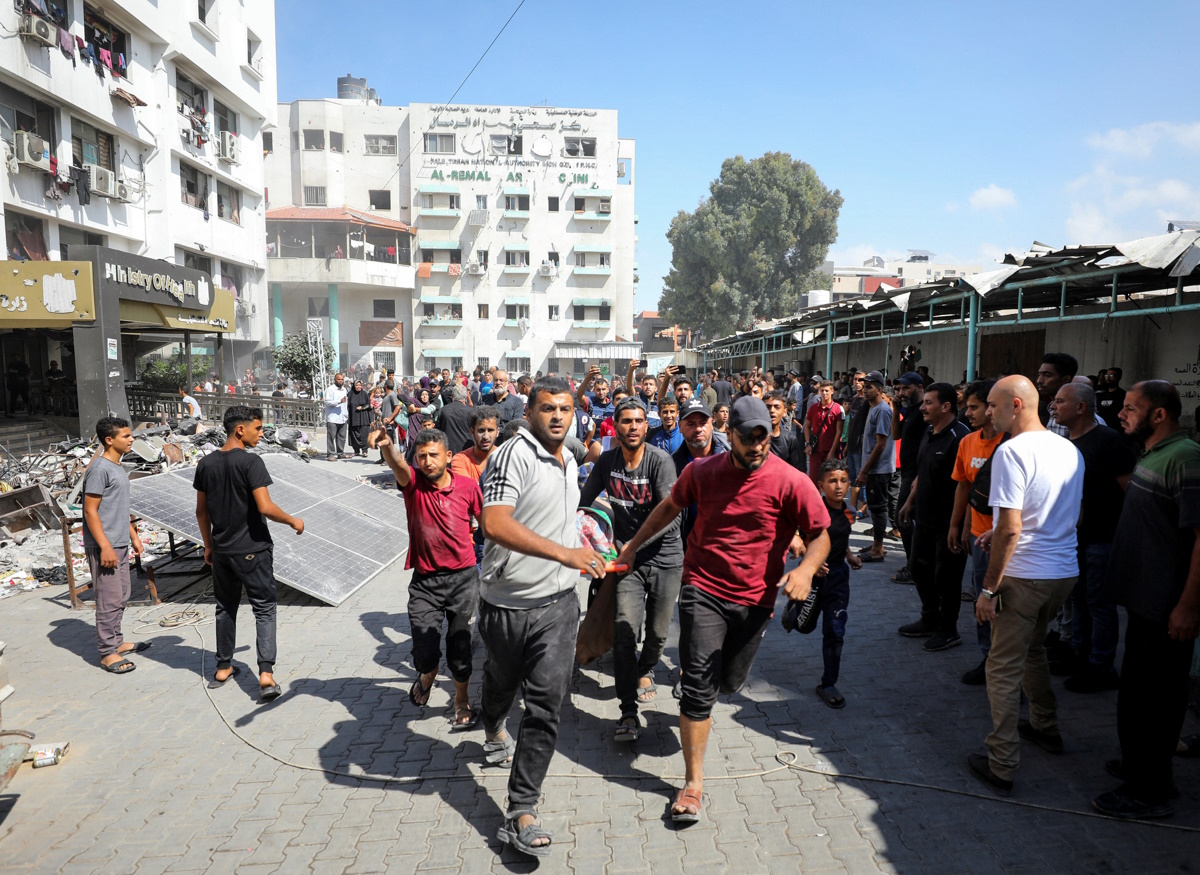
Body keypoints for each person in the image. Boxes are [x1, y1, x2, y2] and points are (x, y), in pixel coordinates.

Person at [614, 396, 830, 824]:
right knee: (698, 688)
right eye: (746, 437)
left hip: (755, 599)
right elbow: (668, 508)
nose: (755, 445)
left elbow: (821, 533)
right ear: (727, 434)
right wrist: (633, 545)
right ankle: (692, 785)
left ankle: (702, 687)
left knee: (728, 683)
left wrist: (806, 569)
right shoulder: (701, 471)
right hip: (703, 589)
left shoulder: (792, 481)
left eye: (762, 437)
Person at [477, 377, 607, 857]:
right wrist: (562, 552)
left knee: (545, 706)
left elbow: (566, 510)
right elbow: (494, 522)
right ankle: (492, 724)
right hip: (506, 605)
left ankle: (521, 810)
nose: (557, 416)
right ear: (530, 411)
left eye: (566, 409)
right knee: (501, 686)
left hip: (557, 605)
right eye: (548, 408)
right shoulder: (513, 454)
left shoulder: (569, 457)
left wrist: (586, 542)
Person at [968, 376, 1083, 797]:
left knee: (1001, 667)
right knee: (1033, 648)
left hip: (1023, 576)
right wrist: (996, 531)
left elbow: (1013, 528)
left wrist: (988, 589)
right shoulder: (1068, 448)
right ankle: (1045, 726)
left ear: (1016, 405)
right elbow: (1065, 514)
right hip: (1061, 573)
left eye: (993, 407)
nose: (986, 414)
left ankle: (1001, 763)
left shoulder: (1012, 452)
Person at [1093, 381, 1200, 819]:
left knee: (1156, 701)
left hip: (1166, 607)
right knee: (1138, 695)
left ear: (1159, 415)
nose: (1121, 414)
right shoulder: (1155, 453)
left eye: (1131, 408)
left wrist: (1188, 606)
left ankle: (1150, 789)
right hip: (1144, 603)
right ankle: (1140, 766)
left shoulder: (1187, 459)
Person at [580, 396, 683, 741]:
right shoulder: (607, 461)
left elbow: (672, 514)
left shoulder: (660, 462)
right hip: (626, 560)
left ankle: (646, 667)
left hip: (665, 556)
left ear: (646, 425)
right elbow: (585, 502)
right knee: (625, 633)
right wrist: (599, 542)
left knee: (656, 635)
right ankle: (628, 711)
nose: (633, 427)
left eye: (639, 421)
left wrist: (635, 544)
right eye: (626, 421)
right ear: (617, 426)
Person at [374, 425, 484, 729]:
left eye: (433, 455)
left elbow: (487, 522)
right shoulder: (412, 484)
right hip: (425, 583)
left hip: (464, 579)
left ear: (448, 456)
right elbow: (398, 464)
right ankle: (427, 673)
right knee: (424, 652)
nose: (427, 461)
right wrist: (387, 447)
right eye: (421, 456)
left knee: (460, 647)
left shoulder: (467, 487)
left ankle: (461, 700)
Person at [194, 406, 305, 702]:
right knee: (264, 608)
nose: (261, 433)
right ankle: (266, 675)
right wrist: (294, 520)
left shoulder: (206, 464)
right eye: (257, 428)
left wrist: (208, 545)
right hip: (252, 550)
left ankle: (222, 668)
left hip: (222, 551)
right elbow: (265, 507)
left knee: (225, 607)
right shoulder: (251, 462)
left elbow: (201, 511)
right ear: (240, 430)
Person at [1049, 382, 1136, 691]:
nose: (1053, 407)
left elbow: (1132, 495)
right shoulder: (1066, 443)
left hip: (1103, 538)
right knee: (1079, 599)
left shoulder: (1108, 442)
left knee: (1098, 602)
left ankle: (1101, 667)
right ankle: (1079, 656)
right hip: (1076, 538)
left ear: (1081, 407)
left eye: (1060, 401)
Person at [897, 382, 972, 651]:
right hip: (925, 518)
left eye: (929, 403)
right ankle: (930, 618)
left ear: (946, 406)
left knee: (947, 577)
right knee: (917, 567)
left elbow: (967, 485)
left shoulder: (961, 438)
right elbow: (922, 472)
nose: (923, 407)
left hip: (949, 523)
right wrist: (909, 501)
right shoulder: (929, 431)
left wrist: (959, 526)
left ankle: (949, 629)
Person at [785, 458, 862, 708]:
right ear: (821, 485)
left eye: (843, 481)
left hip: (838, 578)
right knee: (805, 626)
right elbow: (799, 538)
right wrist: (811, 562)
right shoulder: (814, 510)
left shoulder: (848, 512)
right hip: (814, 578)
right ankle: (792, 612)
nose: (838, 486)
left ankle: (828, 683)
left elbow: (842, 538)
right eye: (832, 481)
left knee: (835, 630)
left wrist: (850, 556)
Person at [82, 417, 147, 674]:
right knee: (108, 599)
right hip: (105, 545)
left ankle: (117, 642)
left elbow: (120, 508)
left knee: (121, 595)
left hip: (119, 541)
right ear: (109, 440)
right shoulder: (100, 470)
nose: (131, 439)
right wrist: (105, 547)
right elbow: (90, 511)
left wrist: (133, 535)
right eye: (126, 436)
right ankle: (107, 652)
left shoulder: (118, 467)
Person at [948, 379, 1003, 684]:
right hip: (979, 537)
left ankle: (1007, 667)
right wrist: (957, 526)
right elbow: (965, 486)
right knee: (984, 601)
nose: (967, 412)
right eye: (966, 406)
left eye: (974, 407)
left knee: (1006, 606)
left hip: (1011, 541)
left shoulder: (1014, 443)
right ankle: (988, 659)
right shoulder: (968, 442)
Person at [854, 372, 898, 562]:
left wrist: (865, 470)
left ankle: (878, 549)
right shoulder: (873, 408)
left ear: (880, 389)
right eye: (864, 386)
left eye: (870, 387)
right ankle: (876, 544)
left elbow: (881, 444)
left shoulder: (882, 410)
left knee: (879, 508)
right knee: (874, 507)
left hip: (879, 469)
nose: (865, 390)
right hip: (874, 468)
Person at [672, 398, 729, 545]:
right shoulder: (672, 465)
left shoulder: (731, 458)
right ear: (680, 427)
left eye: (703, 423)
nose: (698, 429)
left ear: (711, 424)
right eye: (691, 424)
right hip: (688, 549)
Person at [451, 406, 500, 569]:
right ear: (472, 431)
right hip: (467, 543)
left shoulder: (507, 459)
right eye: (481, 430)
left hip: (498, 542)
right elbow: (467, 494)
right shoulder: (460, 459)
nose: (486, 436)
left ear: (498, 432)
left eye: (490, 430)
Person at [891, 372, 926, 582]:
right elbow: (896, 435)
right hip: (908, 472)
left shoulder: (924, 412)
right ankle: (915, 564)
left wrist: (919, 477)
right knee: (906, 519)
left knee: (902, 518)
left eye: (906, 389)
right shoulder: (910, 410)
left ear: (919, 387)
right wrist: (896, 411)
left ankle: (916, 567)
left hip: (916, 474)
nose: (901, 393)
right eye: (900, 389)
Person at [804, 380, 845, 482]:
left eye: (827, 391)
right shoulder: (813, 408)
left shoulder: (838, 409)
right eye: (822, 390)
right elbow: (807, 427)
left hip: (831, 451)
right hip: (816, 451)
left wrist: (831, 452)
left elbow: (839, 432)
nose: (824, 393)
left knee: (831, 480)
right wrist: (808, 443)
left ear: (832, 391)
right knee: (814, 480)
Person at [764, 390, 802, 468]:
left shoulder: (790, 439)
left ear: (785, 411)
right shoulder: (755, 439)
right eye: (768, 407)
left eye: (777, 407)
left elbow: (795, 470)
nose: (772, 411)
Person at [436, 384, 475, 453]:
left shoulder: (443, 410)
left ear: (452, 397)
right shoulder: (470, 412)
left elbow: (438, 431)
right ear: (466, 397)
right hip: (466, 451)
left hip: (448, 451)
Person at [324, 373, 350, 461]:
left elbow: (345, 403)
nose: (340, 381)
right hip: (333, 417)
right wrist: (339, 401)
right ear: (335, 380)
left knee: (342, 436)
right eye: (338, 379)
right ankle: (330, 454)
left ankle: (340, 453)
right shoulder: (330, 389)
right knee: (331, 436)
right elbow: (327, 402)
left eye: (342, 379)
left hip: (343, 417)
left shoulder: (344, 390)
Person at [346, 379, 373, 457]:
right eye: (357, 385)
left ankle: (364, 450)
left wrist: (362, 407)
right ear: (354, 386)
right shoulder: (350, 394)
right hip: (353, 418)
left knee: (364, 434)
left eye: (360, 385)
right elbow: (347, 406)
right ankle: (356, 450)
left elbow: (369, 404)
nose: (358, 387)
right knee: (354, 434)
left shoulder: (364, 394)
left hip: (363, 418)